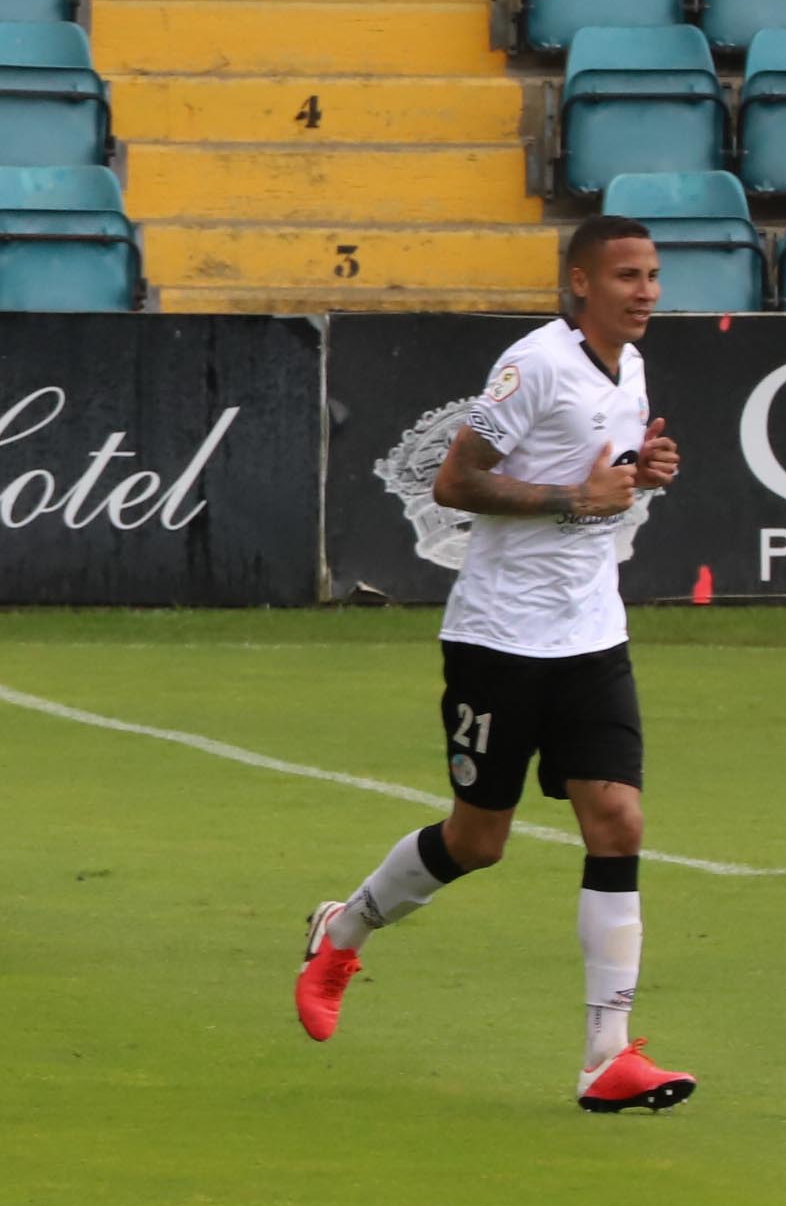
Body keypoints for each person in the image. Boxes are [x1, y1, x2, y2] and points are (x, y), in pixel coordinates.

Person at [295, 216, 696, 1114]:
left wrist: (641, 471)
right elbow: (455, 481)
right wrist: (573, 498)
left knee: (617, 821)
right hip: (500, 638)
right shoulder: (533, 365)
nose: (646, 292)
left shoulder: (627, 367)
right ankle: (343, 928)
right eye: (627, 276)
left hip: (590, 632)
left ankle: (606, 1055)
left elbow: (603, 477)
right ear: (578, 283)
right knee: (478, 841)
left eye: (653, 275)